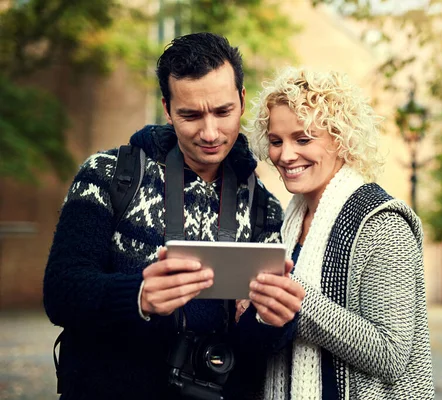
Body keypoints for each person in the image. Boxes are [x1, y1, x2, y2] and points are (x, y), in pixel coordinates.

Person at [43, 32, 304, 400]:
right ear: (167, 109)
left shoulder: (265, 208)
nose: (210, 132)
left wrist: (270, 320)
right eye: (190, 115)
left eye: (223, 111)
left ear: (243, 101)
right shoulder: (107, 174)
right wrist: (138, 296)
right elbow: (61, 291)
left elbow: (254, 348)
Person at [245, 67, 435, 399]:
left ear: (341, 138)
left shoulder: (383, 225)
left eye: (303, 139)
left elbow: (390, 355)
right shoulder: (287, 221)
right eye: (276, 141)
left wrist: (292, 299)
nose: (285, 155)